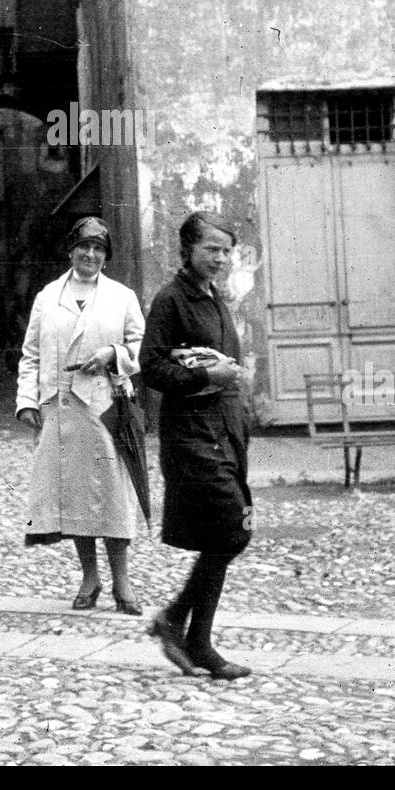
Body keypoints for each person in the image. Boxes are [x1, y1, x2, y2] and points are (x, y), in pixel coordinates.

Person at [139, 211, 253, 680]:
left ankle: (179, 624)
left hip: (222, 431)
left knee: (227, 534)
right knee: (229, 531)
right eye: (212, 249)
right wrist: (208, 375)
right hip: (191, 435)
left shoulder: (214, 298)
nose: (220, 258)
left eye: (226, 251)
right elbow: (151, 367)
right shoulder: (172, 301)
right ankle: (196, 639)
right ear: (187, 250)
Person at [16, 217, 147, 613]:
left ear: (106, 256)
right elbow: (31, 354)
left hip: (105, 408)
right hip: (62, 410)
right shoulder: (48, 296)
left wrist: (114, 355)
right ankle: (90, 579)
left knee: (111, 496)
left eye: (98, 249)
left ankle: (123, 584)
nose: (90, 255)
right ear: (71, 249)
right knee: (73, 497)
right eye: (83, 247)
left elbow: (140, 345)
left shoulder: (121, 297)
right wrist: (27, 400)